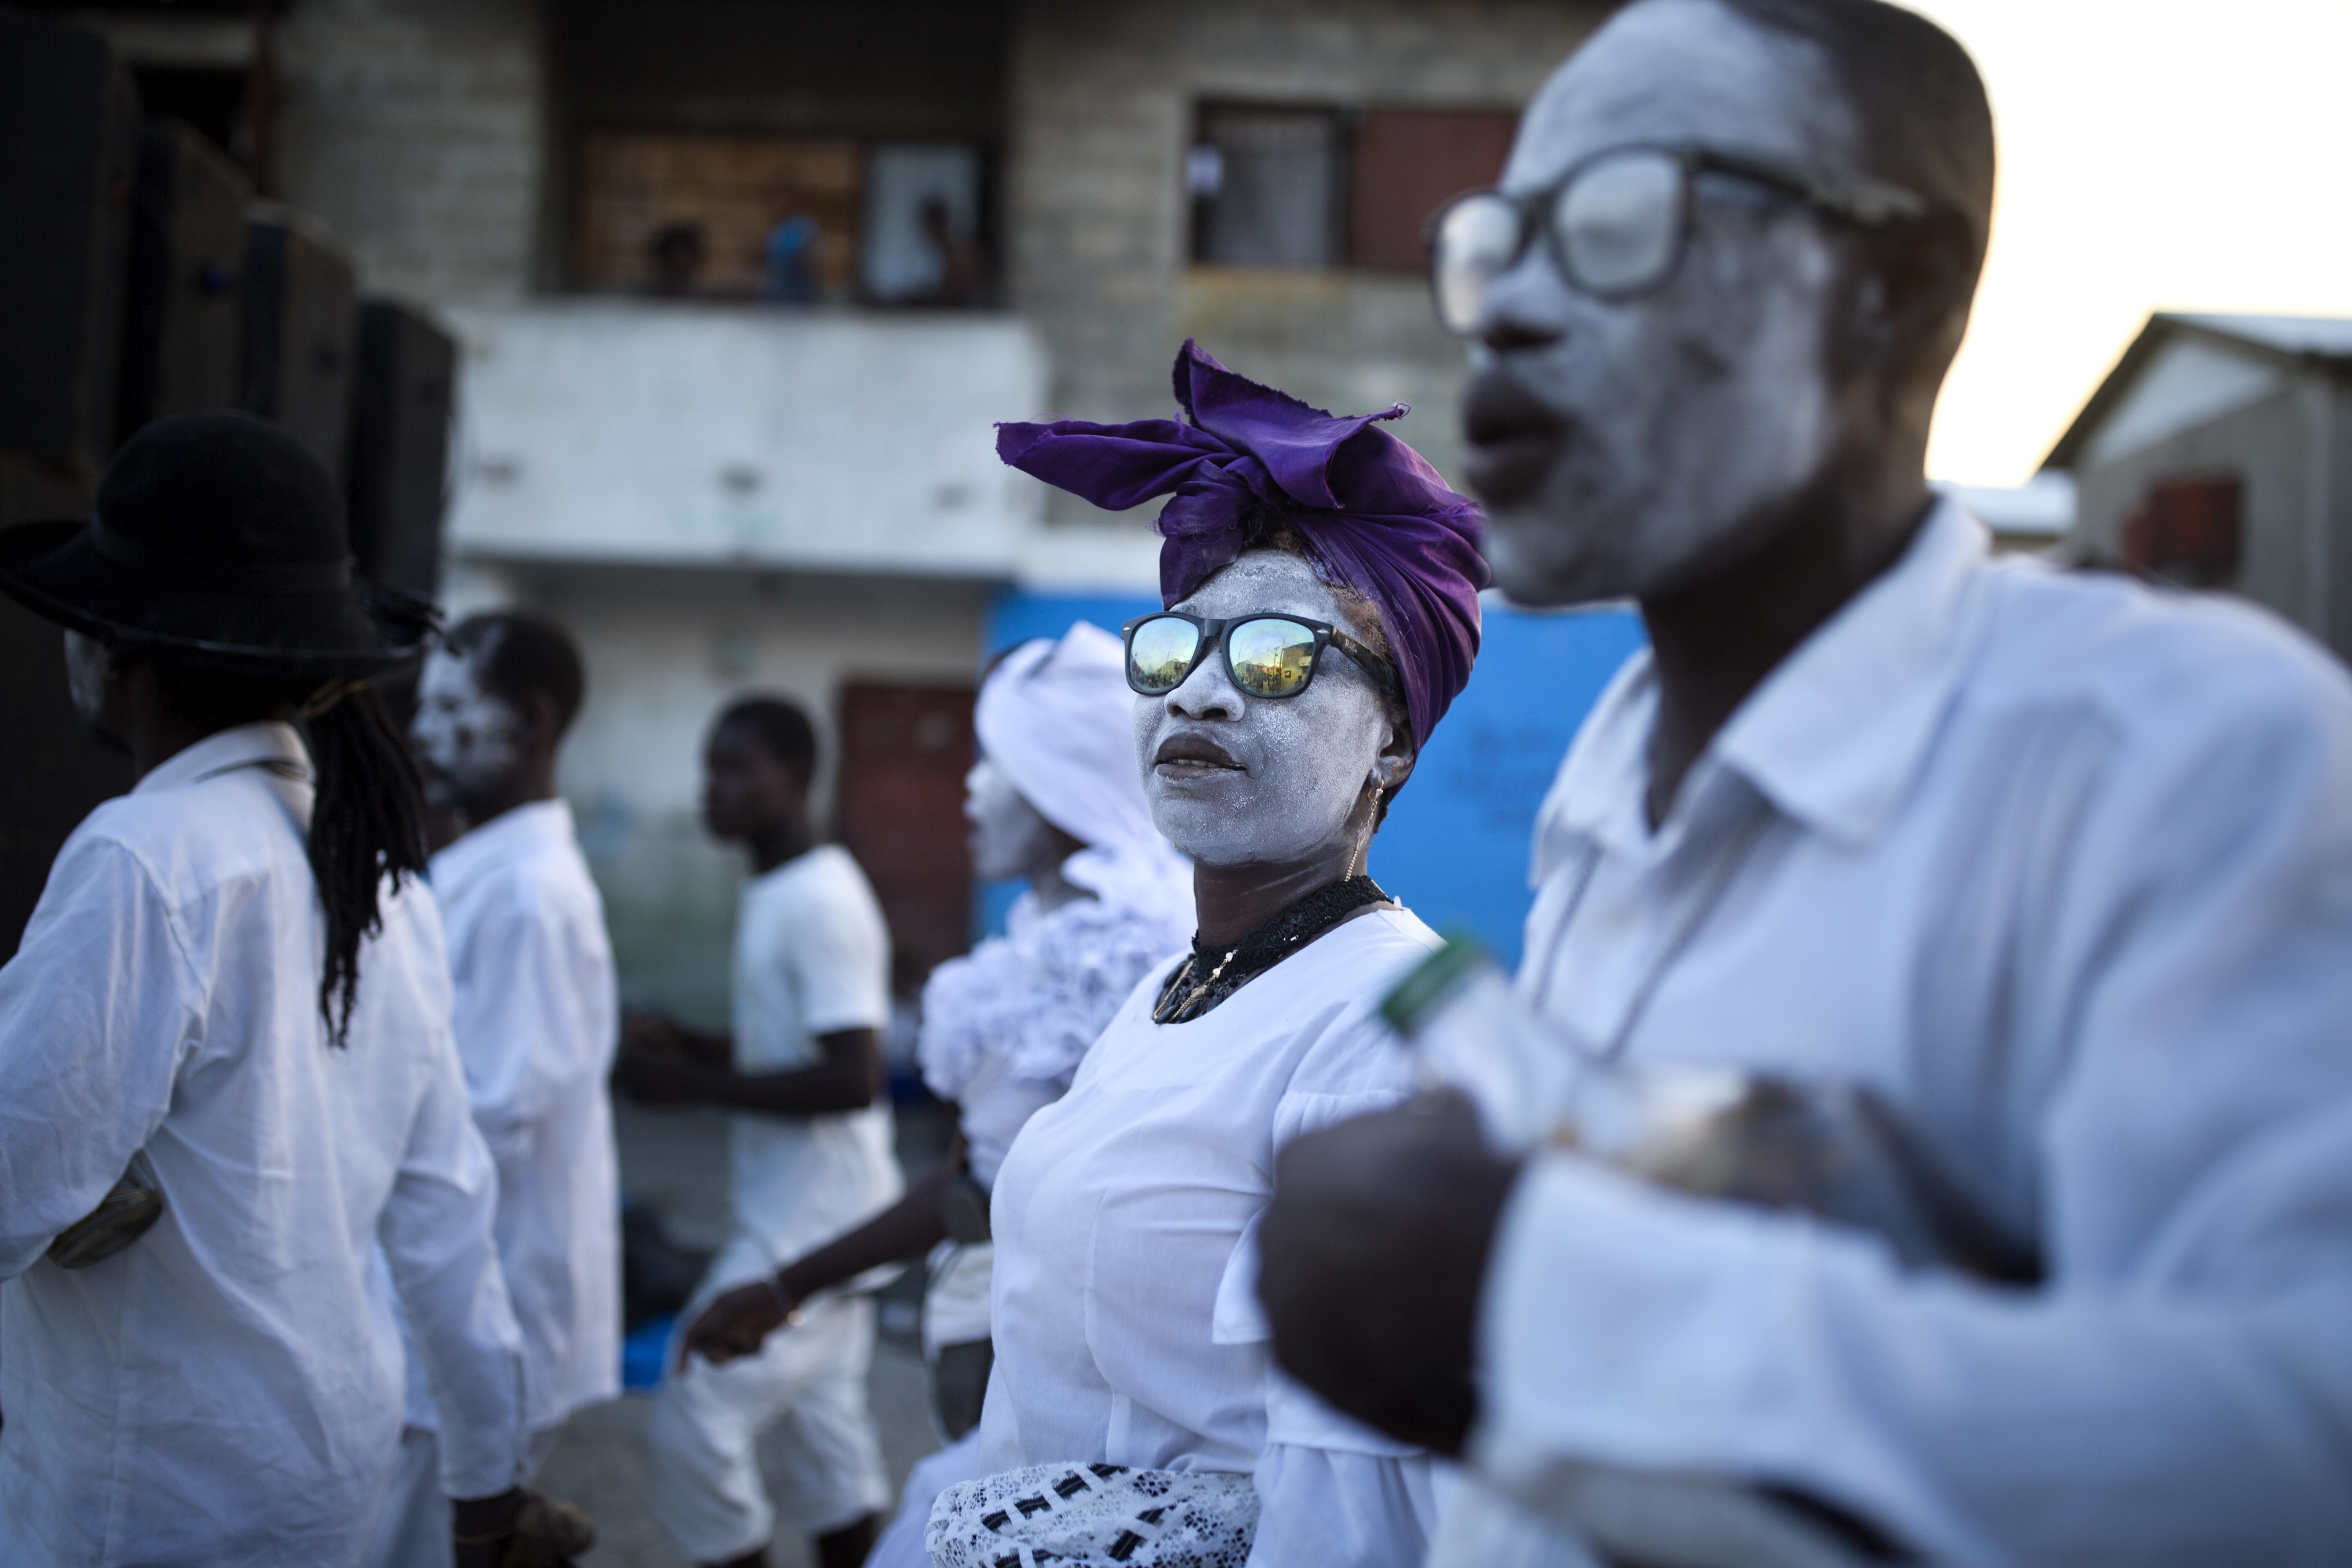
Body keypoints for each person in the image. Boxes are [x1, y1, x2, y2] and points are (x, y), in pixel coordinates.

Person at [1255, 2, 2352, 1564]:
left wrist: (1551, 1297)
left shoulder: (2178, 761)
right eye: (1501, 247)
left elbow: (2305, 1458)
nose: (1506, 318)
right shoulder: (1611, 795)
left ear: (1895, 289)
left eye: (1624, 224)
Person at [918, 339, 1488, 1568]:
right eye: (1173, 651)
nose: (1202, 697)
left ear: (1392, 745)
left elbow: (1360, 1514)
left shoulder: (1381, 1030)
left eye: (1279, 659)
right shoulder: (1174, 990)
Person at [0, 412, 585, 1566]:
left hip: (152, 1493)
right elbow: (449, 1225)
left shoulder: (146, 856)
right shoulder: (386, 890)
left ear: (119, 648)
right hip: (322, 1478)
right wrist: (487, 1487)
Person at [676, 621, 1194, 1568]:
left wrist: (789, 1283)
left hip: (1059, 1376)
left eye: (995, 762)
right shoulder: (1052, 941)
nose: (970, 787)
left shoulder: (1100, 962)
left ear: (1058, 785)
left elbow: (984, 1187)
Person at [613, 695, 898, 1568]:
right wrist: (696, 1043)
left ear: (799, 779)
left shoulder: (817, 899)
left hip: (810, 1226)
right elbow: (797, 1046)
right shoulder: (782, 885)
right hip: (822, 1212)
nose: (715, 788)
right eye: (711, 767)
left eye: (739, 769)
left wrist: (689, 1085)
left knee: (693, 1412)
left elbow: (854, 1076)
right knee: (827, 1448)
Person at [369, 611, 621, 1567]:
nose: (425, 733)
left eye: (447, 709)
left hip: (488, 1305)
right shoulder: (488, 872)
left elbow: (496, 1117)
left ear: (529, 721)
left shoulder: (528, 894)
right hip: (459, 1306)